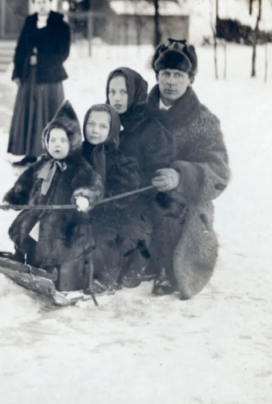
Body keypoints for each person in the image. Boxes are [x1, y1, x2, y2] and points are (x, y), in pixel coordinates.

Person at [145, 39, 231, 298]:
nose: (171, 81)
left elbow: (219, 172)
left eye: (178, 75)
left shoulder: (204, 121)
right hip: (141, 192)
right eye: (165, 74)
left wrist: (181, 177)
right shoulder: (141, 113)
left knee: (172, 218)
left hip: (185, 200)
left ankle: (167, 271)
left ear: (190, 79)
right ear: (157, 76)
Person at [3, 101, 104, 291]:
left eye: (63, 141)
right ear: (46, 143)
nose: (57, 145)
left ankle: (53, 274)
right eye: (53, 140)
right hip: (39, 216)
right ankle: (25, 261)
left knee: (56, 245)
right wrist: (14, 197)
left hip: (67, 223)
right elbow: (26, 181)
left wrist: (85, 197)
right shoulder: (43, 164)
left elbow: (94, 184)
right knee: (27, 234)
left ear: (73, 143)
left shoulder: (79, 168)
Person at [105, 67, 175, 287]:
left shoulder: (151, 128)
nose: (116, 98)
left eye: (123, 92)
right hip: (109, 197)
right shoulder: (105, 122)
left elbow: (159, 170)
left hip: (141, 199)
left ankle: (140, 262)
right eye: (112, 92)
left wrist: (131, 186)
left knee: (127, 231)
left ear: (135, 94)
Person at [8, 0, 72, 167]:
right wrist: (17, 72)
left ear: (50, 3)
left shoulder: (60, 24)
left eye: (44, 1)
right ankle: (30, 154)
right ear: (34, 4)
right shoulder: (29, 22)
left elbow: (63, 53)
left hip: (50, 78)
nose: (41, 5)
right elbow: (21, 49)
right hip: (30, 77)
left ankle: (50, 155)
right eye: (38, 2)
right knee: (31, 114)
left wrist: (40, 57)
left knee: (48, 115)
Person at [81, 104, 140, 291]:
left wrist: (99, 202)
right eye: (91, 124)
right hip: (78, 209)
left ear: (112, 129)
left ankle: (104, 276)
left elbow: (125, 190)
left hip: (108, 215)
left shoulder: (118, 159)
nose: (95, 131)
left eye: (102, 126)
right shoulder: (78, 153)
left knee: (100, 239)